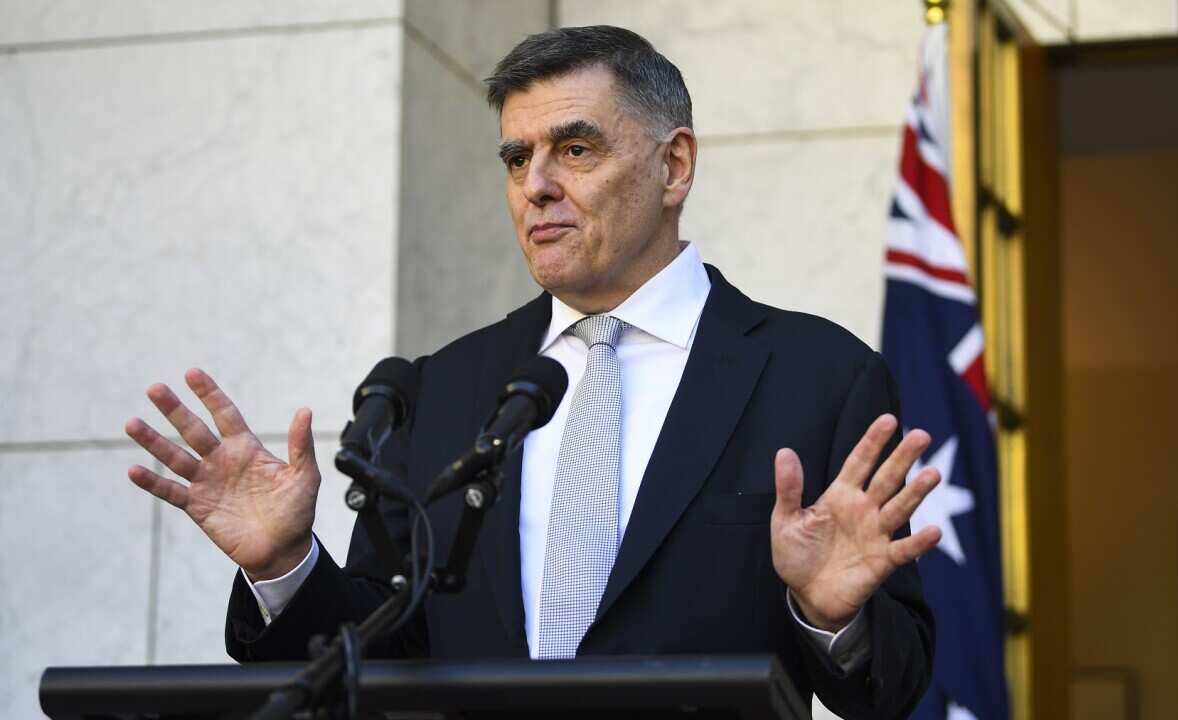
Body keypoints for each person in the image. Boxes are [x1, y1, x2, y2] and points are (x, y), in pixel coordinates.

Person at [124, 26, 942, 719]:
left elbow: (895, 683)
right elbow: (379, 654)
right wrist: (283, 567)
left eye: (575, 149)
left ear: (674, 166)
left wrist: (830, 615)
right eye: (517, 159)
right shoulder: (443, 388)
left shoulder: (819, 376)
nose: (537, 187)